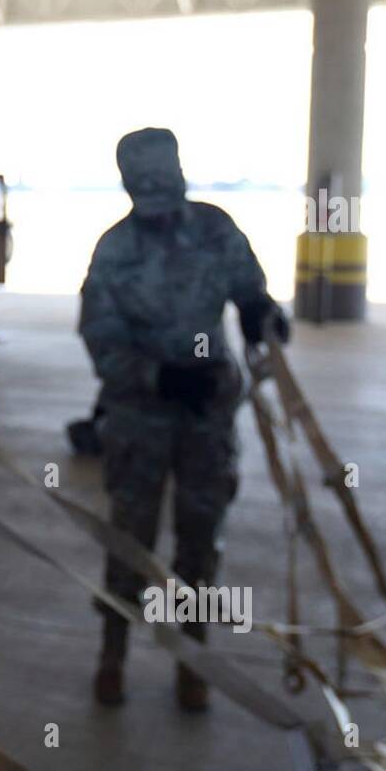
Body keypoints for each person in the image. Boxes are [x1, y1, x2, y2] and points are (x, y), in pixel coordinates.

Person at [78, 127, 289, 711]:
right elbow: (100, 338)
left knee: (200, 544)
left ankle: (192, 659)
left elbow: (250, 288)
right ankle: (112, 653)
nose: (162, 217)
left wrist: (260, 314)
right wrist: (160, 377)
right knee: (129, 542)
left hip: (207, 418)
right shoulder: (114, 249)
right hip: (139, 420)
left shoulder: (216, 229)